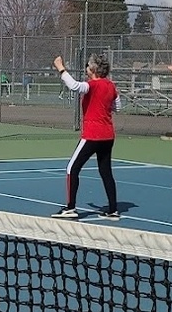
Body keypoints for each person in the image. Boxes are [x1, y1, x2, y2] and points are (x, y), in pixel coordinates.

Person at [51, 53, 120, 221]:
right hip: (108, 136)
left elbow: (74, 86)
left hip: (92, 135)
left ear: (94, 70)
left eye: (88, 67)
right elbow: (117, 106)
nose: (86, 69)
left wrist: (61, 68)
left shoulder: (91, 86)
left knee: (71, 169)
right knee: (106, 172)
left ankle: (70, 207)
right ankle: (112, 210)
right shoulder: (111, 86)